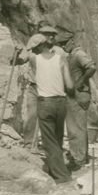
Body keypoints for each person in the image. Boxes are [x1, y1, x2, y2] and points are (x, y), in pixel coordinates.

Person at [23, 23, 75, 184]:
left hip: (47, 98)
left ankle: (61, 175)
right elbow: (70, 85)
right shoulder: (40, 52)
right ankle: (31, 147)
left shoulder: (53, 54)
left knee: (51, 139)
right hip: (50, 95)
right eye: (47, 35)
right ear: (42, 37)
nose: (51, 37)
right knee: (36, 121)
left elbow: (22, 58)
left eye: (53, 35)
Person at [61, 32, 97, 171]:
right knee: (77, 127)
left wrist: (80, 82)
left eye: (65, 44)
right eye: (61, 45)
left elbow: (92, 67)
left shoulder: (78, 54)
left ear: (71, 41)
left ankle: (78, 160)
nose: (63, 47)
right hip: (76, 95)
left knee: (75, 128)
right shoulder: (72, 55)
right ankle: (81, 157)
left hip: (78, 95)